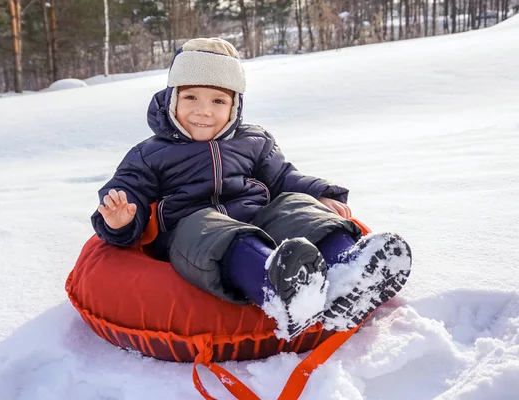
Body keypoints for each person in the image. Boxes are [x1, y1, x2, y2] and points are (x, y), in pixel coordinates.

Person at [91, 38, 412, 341]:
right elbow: (127, 188)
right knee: (209, 228)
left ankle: (348, 273)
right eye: (191, 97)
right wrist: (119, 219)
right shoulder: (149, 153)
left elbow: (284, 177)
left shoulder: (254, 141)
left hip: (258, 220)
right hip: (193, 236)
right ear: (172, 99)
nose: (204, 110)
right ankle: (282, 289)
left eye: (218, 100)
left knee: (295, 204)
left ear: (235, 106)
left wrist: (321, 194)